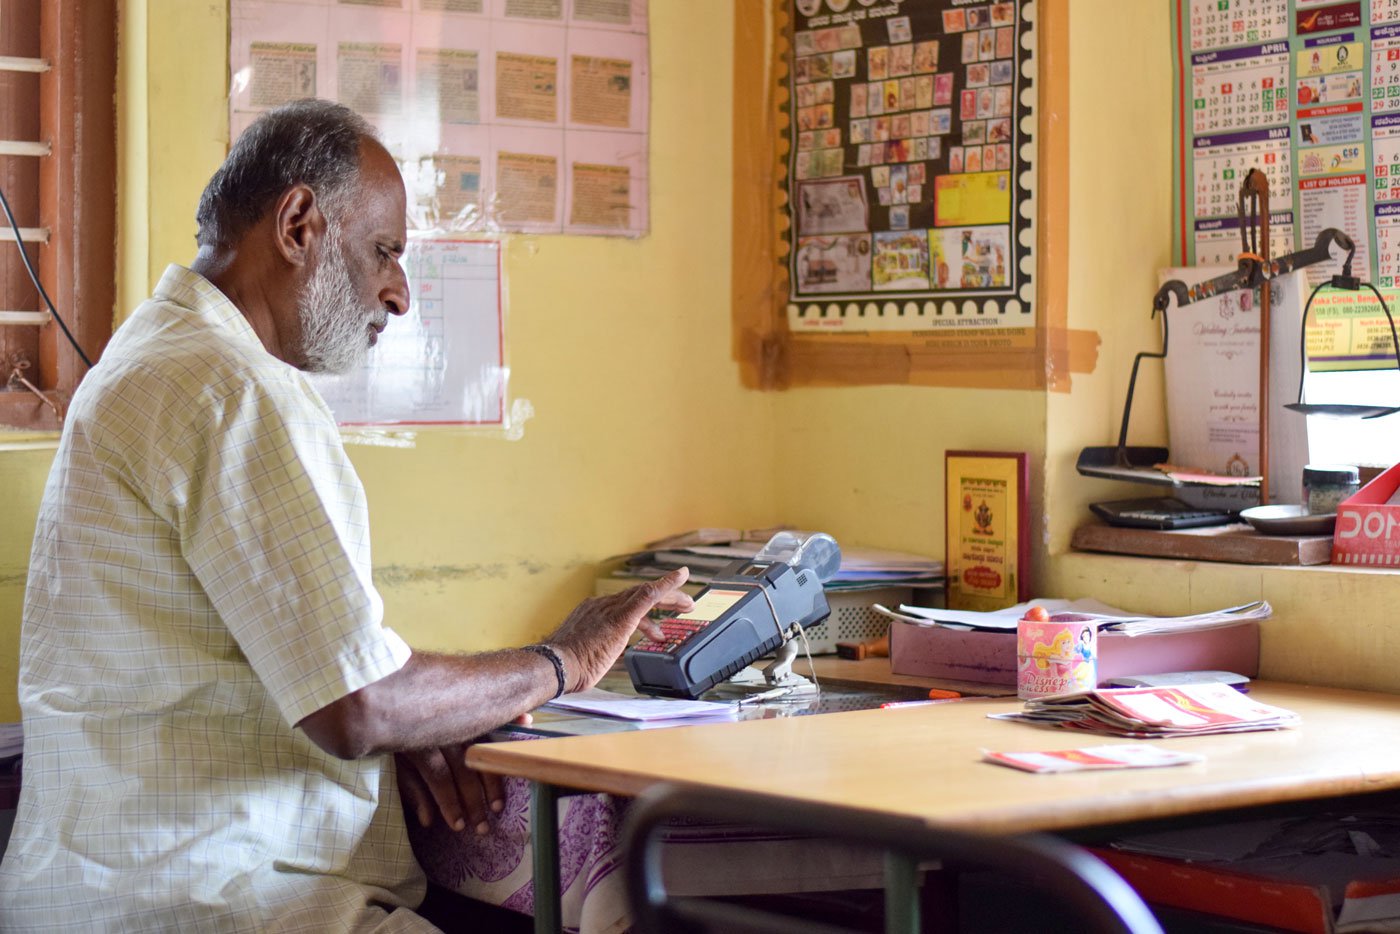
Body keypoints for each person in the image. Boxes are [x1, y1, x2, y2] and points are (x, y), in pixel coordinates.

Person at [0, 99, 691, 931]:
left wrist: (414, 719)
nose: (399, 295)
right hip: (227, 902)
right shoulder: (233, 389)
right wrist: (565, 659)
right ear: (298, 224)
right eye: (384, 252)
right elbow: (357, 705)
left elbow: (320, 678)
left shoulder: (154, 356)